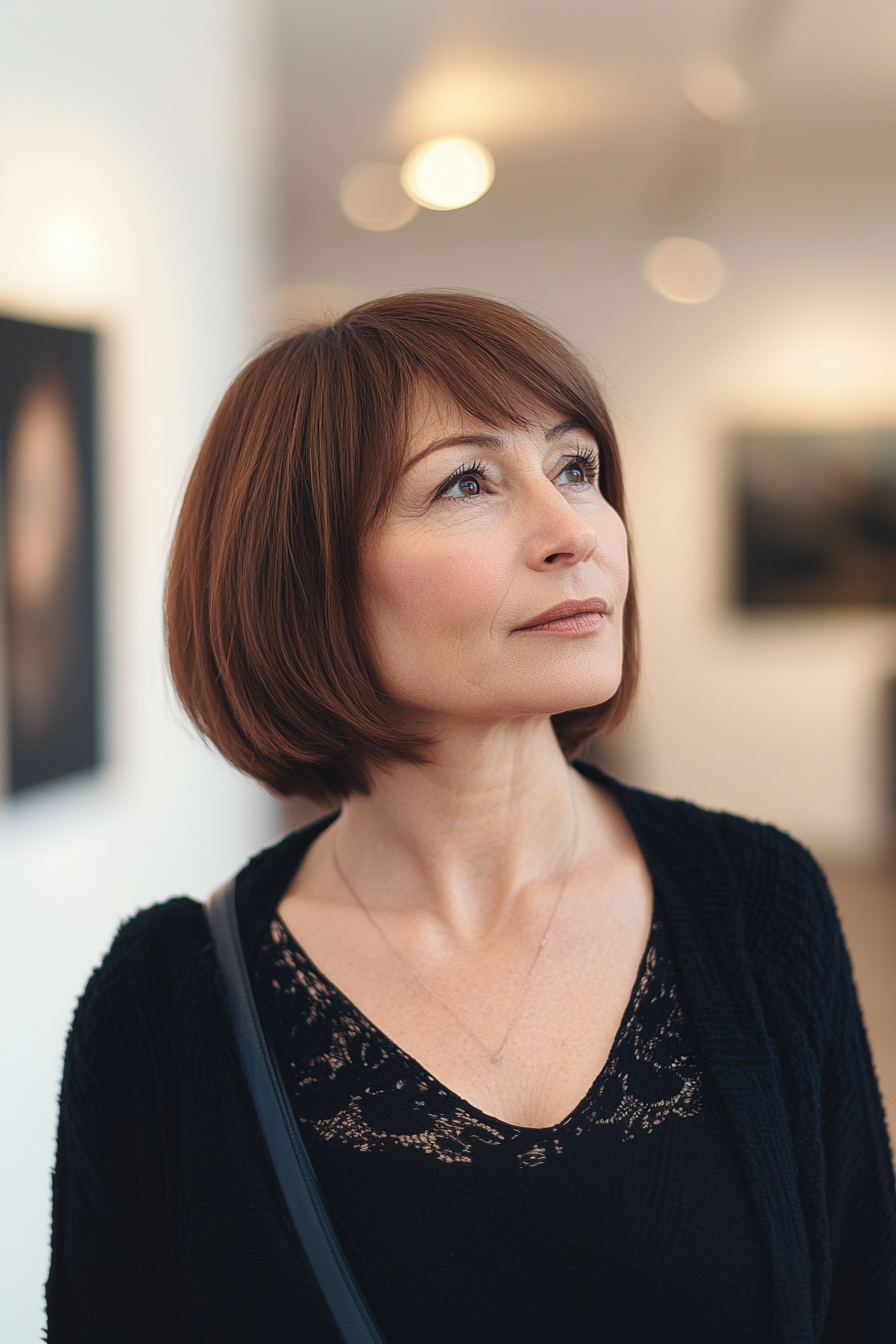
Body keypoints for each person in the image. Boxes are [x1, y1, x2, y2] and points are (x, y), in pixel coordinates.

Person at [47, 293, 896, 1343]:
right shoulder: (165, 1009)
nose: (570, 531)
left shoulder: (758, 902)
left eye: (575, 467)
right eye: (465, 483)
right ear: (301, 577)